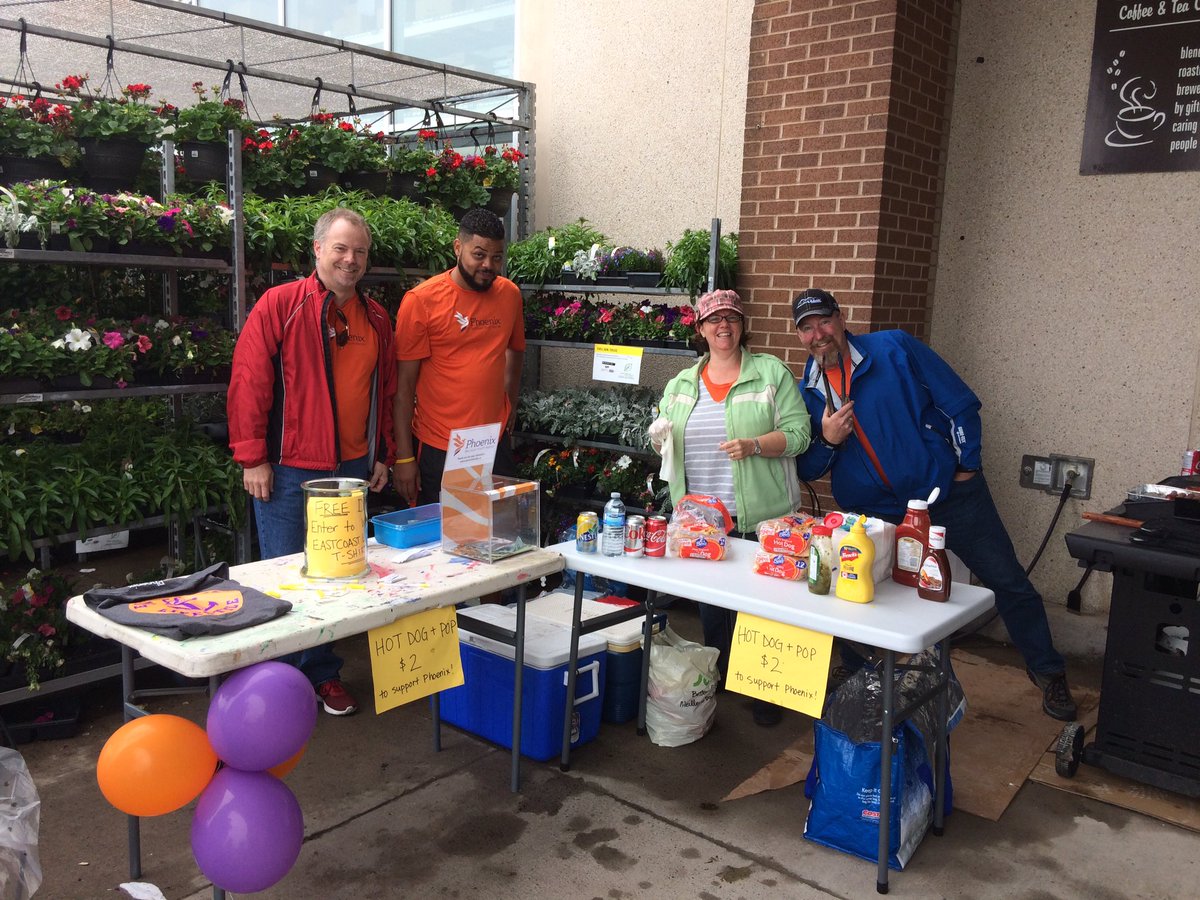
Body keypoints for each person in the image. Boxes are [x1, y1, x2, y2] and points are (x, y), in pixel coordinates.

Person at [791, 288, 1077, 720]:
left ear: (841, 317)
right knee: (858, 594)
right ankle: (856, 670)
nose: (819, 334)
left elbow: (960, 402)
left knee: (1007, 579)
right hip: (874, 514)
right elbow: (808, 466)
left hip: (945, 497)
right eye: (807, 328)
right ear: (798, 336)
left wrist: (968, 466)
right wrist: (829, 440)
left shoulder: (893, 348)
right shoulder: (807, 392)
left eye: (824, 321)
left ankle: (1048, 670)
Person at [227, 207, 397, 716]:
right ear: (318, 249)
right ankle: (276, 684)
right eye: (341, 248)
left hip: (350, 470)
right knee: (284, 576)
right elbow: (249, 382)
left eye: (360, 251)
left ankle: (321, 675)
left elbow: (383, 393)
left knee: (336, 577)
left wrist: (381, 453)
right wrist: (252, 457)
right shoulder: (280, 305)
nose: (351, 259)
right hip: (287, 469)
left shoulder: (378, 319)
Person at [652, 289, 812, 726]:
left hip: (760, 516)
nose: (724, 327)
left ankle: (766, 690)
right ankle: (720, 676)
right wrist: (659, 436)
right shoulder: (681, 384)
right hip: (702, 521)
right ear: (701, 329)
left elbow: (799, 435)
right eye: (714, 320)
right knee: (713, 607)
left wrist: (756, 444)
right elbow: (666, 432)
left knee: (763, 608)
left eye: (732, 319)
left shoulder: (769, 374)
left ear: (743, 326)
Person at [392, 207, 524, 507]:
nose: (488, 264)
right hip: (441, 446)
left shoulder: (509, 295)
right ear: (457, 247)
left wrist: (510, 405)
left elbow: (515, 352)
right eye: (479, 254)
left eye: (497, 257)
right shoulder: (421, 301)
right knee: (443, 542)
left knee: (499, 538)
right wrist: (404, 457)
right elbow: (403, 388)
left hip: (493, 443)